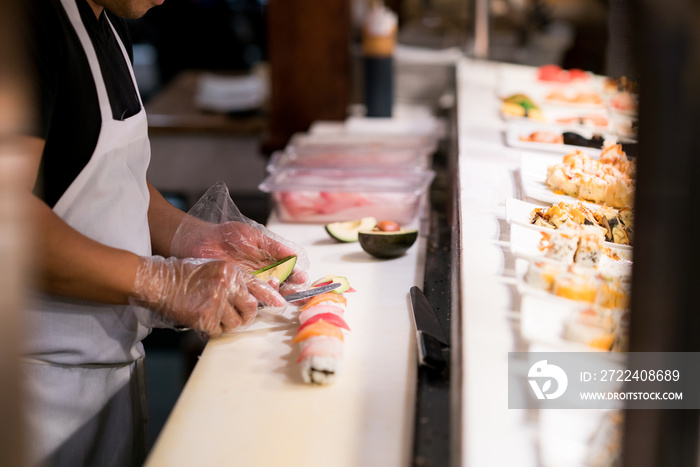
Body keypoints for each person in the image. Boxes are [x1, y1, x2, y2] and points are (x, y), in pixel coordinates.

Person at [21, 0, 305, 465]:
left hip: (108, 373)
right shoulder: (31, 28)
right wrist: (164, 282)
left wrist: (194, 238)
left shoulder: (111, 23)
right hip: (36, 393)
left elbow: (111, 181)